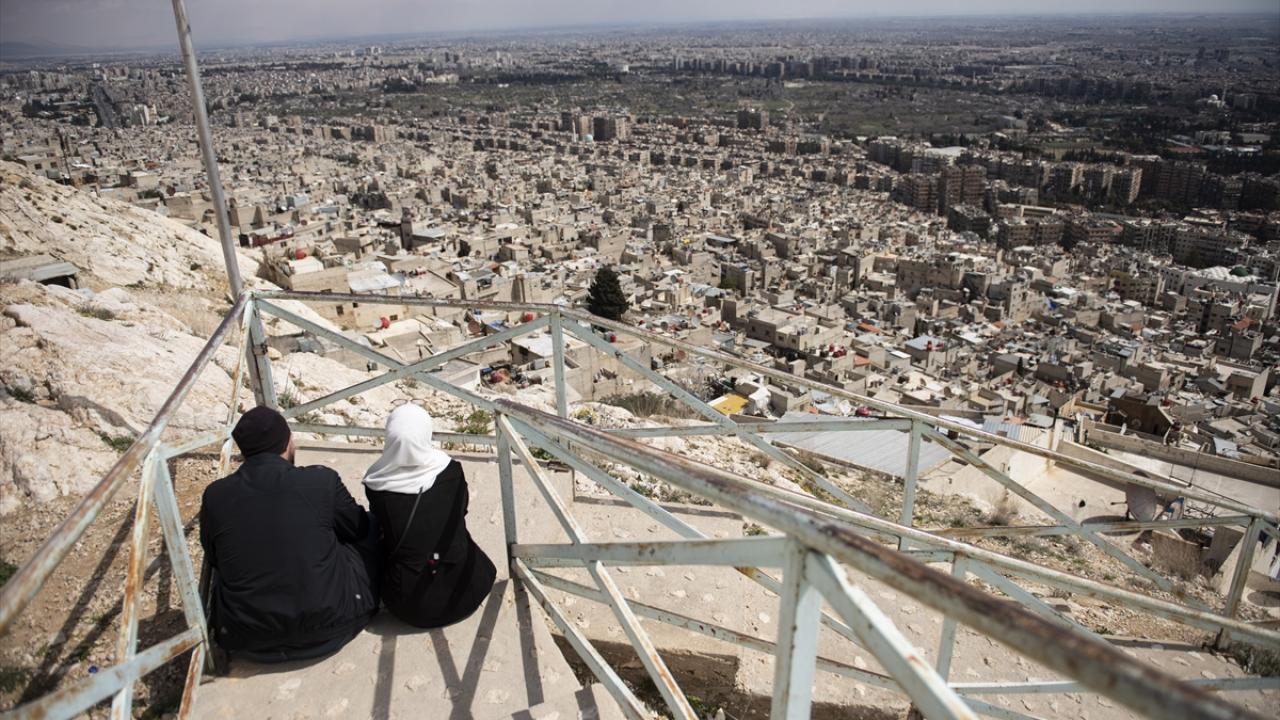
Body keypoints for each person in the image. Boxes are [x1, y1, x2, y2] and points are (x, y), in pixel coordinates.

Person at [200, 406, 381, 663]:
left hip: (247, 639)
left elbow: (215, 558)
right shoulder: (321, 481)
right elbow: (360, 529)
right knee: (363, 532)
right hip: (333, 626)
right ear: (287, 442)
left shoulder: (215, 495)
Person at [363, 404, 496, 628]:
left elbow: (383, 528)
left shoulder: (378, 485)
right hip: (469, 588)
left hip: (412, 605)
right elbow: (461, 511)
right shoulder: (452, 470)